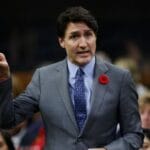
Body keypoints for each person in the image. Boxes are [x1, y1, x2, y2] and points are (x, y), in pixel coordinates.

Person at [0, 6, 143, 150]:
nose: (83, 44)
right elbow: (7, 120)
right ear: (61, 41)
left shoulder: (120, 78)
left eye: (88, 35)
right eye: (74, 36)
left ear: (95, 37)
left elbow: (134, 135)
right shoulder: (43, 78)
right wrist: (3, 80)